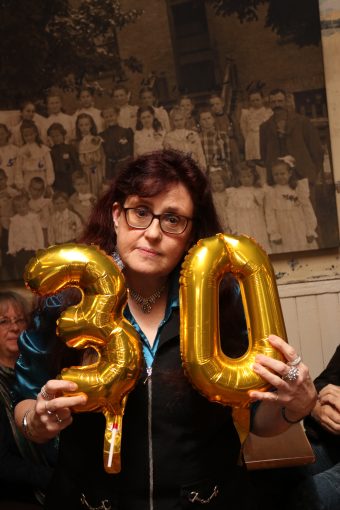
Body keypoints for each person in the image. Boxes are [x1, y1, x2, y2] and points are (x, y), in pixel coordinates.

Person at [14, 150, 316, 510]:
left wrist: (294, 406)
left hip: (207, 500)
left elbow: (260, 421)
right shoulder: (64, 299)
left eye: (172, 219)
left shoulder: (225, 302)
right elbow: (25, 398)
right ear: (116, 215)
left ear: (191, 233)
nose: (153, 233)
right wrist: (37, 421)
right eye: (141, 212)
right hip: (90, 502)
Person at [0, 291, 53, 506]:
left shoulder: (43, 373)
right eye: (3, 321)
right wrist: (57, 478)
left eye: (20, 319)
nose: (14, 327)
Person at [287, 344, 340, 510]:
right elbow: (321, 384)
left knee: (309, 498)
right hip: (330, 442)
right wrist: (316, 409)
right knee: (272, 475)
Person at [259, 89, 324, 193]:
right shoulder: (264, 127)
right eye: (274, 102)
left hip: (302, 174)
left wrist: (313, 172)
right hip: (278, 179)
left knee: (307, 207)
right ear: (270, 105)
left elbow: (316, 151)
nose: (277, 105)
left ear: (286, 102)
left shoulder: (302, 122)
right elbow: (264, 154)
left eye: (280, 101)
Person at [264, 156, 318, 254]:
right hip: (282, 229)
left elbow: (307, 209)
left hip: (300, 226)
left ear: (290, 173)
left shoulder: (298, 189)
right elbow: (269, 214)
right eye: (276, 174)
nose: (279, 177)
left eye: (282, 174)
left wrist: (310, 230)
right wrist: (274, 233)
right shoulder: (271, 192)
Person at [227, 161, 270, 253]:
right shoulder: (235, 193)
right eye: (243, 177)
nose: (246, 179)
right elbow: (231, 211)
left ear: (254, 176)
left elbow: (266, 207)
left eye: (249, 176)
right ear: (239, 178)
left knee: (259, 244)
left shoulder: (259, 191)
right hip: (242, 224)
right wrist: (234, 228)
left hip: (258, 223)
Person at [8, 193, 45, 279]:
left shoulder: (33, 218)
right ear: (15, 208)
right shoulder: (14, 220)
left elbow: (39, 234)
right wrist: (12, 248)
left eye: (23, 206)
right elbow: (11, 236)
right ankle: (23, 284)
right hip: (20, 249)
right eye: (18, 207)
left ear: (27, 206)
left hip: (32, 248)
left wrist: (39, 247)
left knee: (33, 268)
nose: (21, 209)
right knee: (21, 268)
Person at [15, 120, 54, 193]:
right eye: (26, 136)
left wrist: (49, 183)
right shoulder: (21, 151)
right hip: (27, 178)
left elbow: (49, 167)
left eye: (31, 134)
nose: (29, 137)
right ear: (22, 136)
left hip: (41, 177)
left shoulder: (43, 149)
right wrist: (20, 185)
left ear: (36, 133)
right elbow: (18, 169)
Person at [164, 106, 206, 172]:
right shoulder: (169, 136)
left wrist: (202, 165)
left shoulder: (193, 134)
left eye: (181, 119)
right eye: (176, 120)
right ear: (172, 121)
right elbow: (168, 155)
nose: (179, 122)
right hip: (178, 167)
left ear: (185, 119)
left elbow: (199, 151)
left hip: (193, 164)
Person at [75, 113, 105, 196]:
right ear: (78, 126)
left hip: (96, 170)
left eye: (86, 124)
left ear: (91, 125)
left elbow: (102, 158)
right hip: (84, 171)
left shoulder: (96, 140)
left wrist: (103, 174)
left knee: (97, 190)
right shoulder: (77, 143)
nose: (84, 127)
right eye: (81, 125)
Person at [99, 106, 134, 180]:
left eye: (111, 116)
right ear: (104, 118)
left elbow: (132, 150)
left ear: (117, 115)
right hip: (111, 166)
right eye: (106, 117)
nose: (109, 118)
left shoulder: (126, 131)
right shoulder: (102, 135)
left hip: (124, 164)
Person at [47, 122, 81, 195]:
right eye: (53, 136)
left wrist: (76, 175)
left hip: (70, 177)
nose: (56, 138)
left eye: (58, 136)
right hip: (58, 179)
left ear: (63, 135)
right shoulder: (50, 151)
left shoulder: (70, 148)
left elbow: (76, 163)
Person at [0, 123, 19, 188]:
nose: (0, 137)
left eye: (2, 134)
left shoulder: (15, 150)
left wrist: (17, 183)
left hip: (13, 185)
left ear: (7, 134)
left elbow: (18, 169)